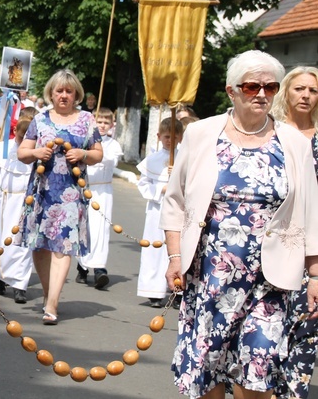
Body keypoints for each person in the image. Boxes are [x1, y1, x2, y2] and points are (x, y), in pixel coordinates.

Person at [161, 50, 318, 399]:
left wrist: (316, 274)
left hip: (270, 278)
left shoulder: (293, 143)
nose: (262, 94)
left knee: (258, 367)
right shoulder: (202, 134)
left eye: (270, 86)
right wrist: (174, 257)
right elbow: (176, 201)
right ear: (232, 91)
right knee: (208, 366)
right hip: (210, 274)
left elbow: (310, 211)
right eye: (252, 86)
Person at [18, 69, 103, 325]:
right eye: (59, 91)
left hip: (70, 194)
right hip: (42, 192)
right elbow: (22, 152)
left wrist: (82, 154)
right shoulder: (40, 120)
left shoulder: (87, 119)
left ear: (76, 93)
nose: (64, 95)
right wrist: (37, 153)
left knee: (63, 245)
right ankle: (47, 293)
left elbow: (99, 154)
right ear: (51, 93)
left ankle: (52, 303)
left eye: (68, 91)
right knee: (41, 246)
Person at [270, 66, 318, 399]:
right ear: (286, 91)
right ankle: (262, 385)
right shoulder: (273, 133)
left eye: (313, 91)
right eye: (299, 88)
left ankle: (293, 391)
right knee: (273, 319)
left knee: (310, 322)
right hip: (278, 238)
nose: (306, 95)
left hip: (315, 240)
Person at [0, 116, 35, 303]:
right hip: (5, 200)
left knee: (22, 244)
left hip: (26, 201)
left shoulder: (35, 151)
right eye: (21, 137)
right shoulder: (2, 149)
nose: (24, 142)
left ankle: (20, 285)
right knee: (0, 239)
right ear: (16, 133)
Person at [136, 117, 184, 308]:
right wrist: (160, 190)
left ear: (180, 137)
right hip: (157, 210)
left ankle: (177, 290)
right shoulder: (153, 160)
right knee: (154, 250)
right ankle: (154, 291)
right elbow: (143, 184)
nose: (169, 141)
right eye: (166, 137)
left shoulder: (184, 158)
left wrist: (178, 175)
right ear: (159, 137)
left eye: (174, 137)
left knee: (176, 250)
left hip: (178, 210)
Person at [76, 107, 123, 290]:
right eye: (99, 122)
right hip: (86, 188)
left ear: (111, 125)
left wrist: (95, 153)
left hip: (103, 190)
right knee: (85, 227)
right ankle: (82, 265)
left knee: (101, 229)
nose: (102, 126)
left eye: (106, 123)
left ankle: (99, 268)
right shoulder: (85, 141)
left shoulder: (113, 145)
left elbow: (110, 160)